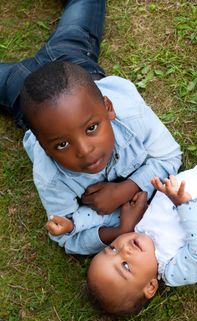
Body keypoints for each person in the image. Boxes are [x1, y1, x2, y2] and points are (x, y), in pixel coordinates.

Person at [0, 0, 182, 255]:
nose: (84, 151)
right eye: (62, 144)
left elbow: (170, 155)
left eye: (91, 128)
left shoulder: (130, 113)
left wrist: (126, 189)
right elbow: (64, 235)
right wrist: (117, 232)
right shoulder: (50, 175)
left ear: (109, 108)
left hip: (73, 60)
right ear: (43, 146)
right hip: (21, 93)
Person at [85, 87, 197, 316]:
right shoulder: (174, 270)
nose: (123, 249)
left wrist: (135, 215)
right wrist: (183, 204)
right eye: (125, 266)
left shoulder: (141, 232)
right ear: (150, 286)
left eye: (112, 248)